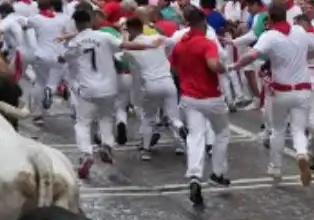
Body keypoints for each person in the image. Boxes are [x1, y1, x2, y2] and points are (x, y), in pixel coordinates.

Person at [234, 1, 313, 186]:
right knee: (298, 129)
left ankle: (276, 168)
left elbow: (252, 55)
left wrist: (235, 65)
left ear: (269, 18)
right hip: (303, 89)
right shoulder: (300, 31)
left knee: (277, 130)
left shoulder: (270, 36)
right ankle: (301, 153)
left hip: (281, 91)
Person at [171, 4, 229, 208]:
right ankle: (218, 172)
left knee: (196, 136)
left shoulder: (179, 45)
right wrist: (223, 69)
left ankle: (194, 176)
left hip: (189, 98)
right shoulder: (207, 43)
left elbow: (175, 68)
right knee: (222, 132)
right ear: (203, 22)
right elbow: (213, 65)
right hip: (211, 97)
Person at [62, 7, 121, 178]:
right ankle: (107, 145)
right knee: (106, 118)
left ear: (76, 24)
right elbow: (121, 46)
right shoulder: (105, 36)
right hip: (109, 87)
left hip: (87, 88)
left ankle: (86, 154)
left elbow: (65, 57)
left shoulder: (75, 41)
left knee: (83, 123)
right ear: (90, 21)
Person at [119, 14, 178, 161]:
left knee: (148, 117)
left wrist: (124, 37)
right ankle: (180, 143)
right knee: (173, 116)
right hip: (168, 80)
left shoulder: (130, 50)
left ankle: (146, 150)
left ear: (131, 30)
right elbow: (172, 43)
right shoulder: (157, 39)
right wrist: (166, 54)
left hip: (150, 84)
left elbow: (120, 56)